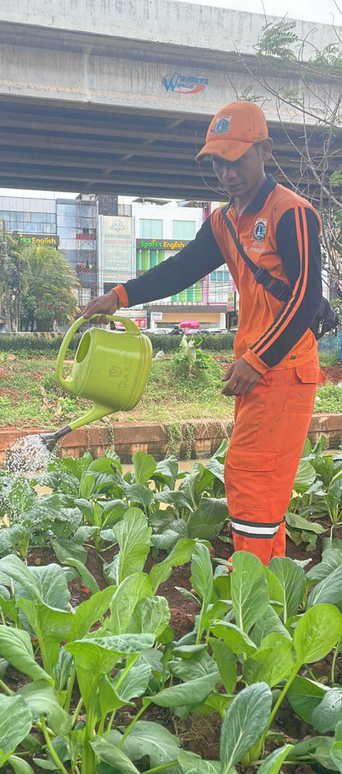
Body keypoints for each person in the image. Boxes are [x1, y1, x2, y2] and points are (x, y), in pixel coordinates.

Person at [82, 101, 324, 564]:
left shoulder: (290, 213)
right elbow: (181, 269)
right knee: (260, 478)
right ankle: (265, 581)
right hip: (256, 369)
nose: (227, 172)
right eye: (217, 162)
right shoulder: (224, 221)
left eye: (237, 160)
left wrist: (258, 360)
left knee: (251, 474)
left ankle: (250, 582)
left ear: (264, 150)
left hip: (283, 369)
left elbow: (305, 298)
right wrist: (120, 295)